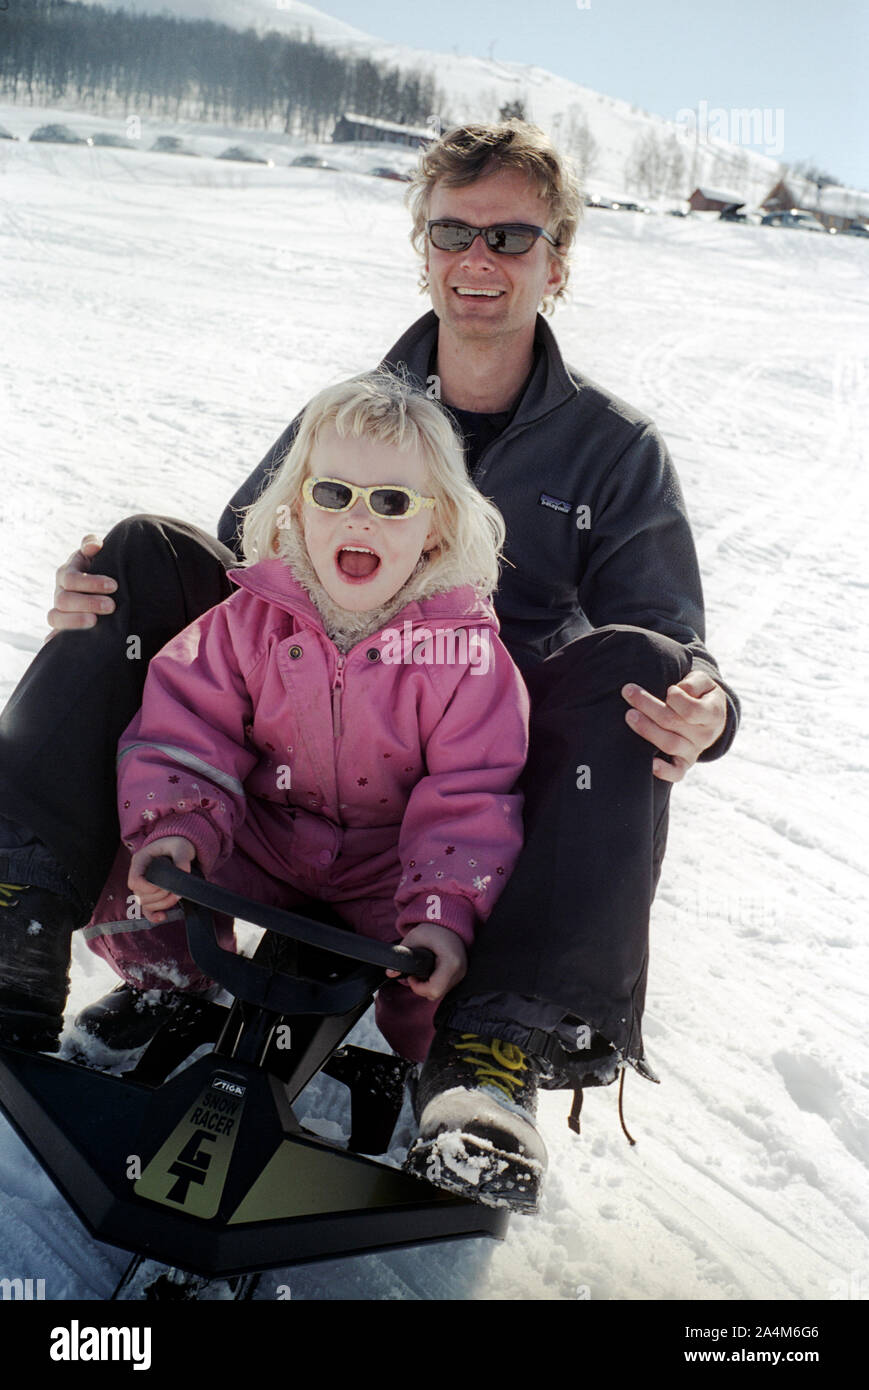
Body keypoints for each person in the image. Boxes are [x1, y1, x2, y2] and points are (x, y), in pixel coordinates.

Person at [0, 120, 739, 1213]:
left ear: (557, 258)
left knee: (631, 669)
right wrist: (113, 602)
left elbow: (671, 643)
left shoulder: (611, 449)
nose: (476, 257)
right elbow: (244, 570)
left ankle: (485, 1056)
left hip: (469, 779)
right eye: (451, 229)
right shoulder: (350, 416)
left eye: (510, 235)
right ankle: (21, 914)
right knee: (149, 552)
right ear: (421, 244)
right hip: (296, 754)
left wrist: (702, 706)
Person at [83, 372, 528, 1076]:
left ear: (437, 522)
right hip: (260, 843)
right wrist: (177, 828)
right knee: (136, 863)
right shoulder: (247, 622)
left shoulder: (465, 657)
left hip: (389, 873)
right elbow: (186, 730)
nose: (359, 520)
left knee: (470, 938)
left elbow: (470, 798)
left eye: (391, 501)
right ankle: (166, 984)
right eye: (333, 494)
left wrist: (439, 911)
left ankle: (440, 1065)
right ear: (297, 507)